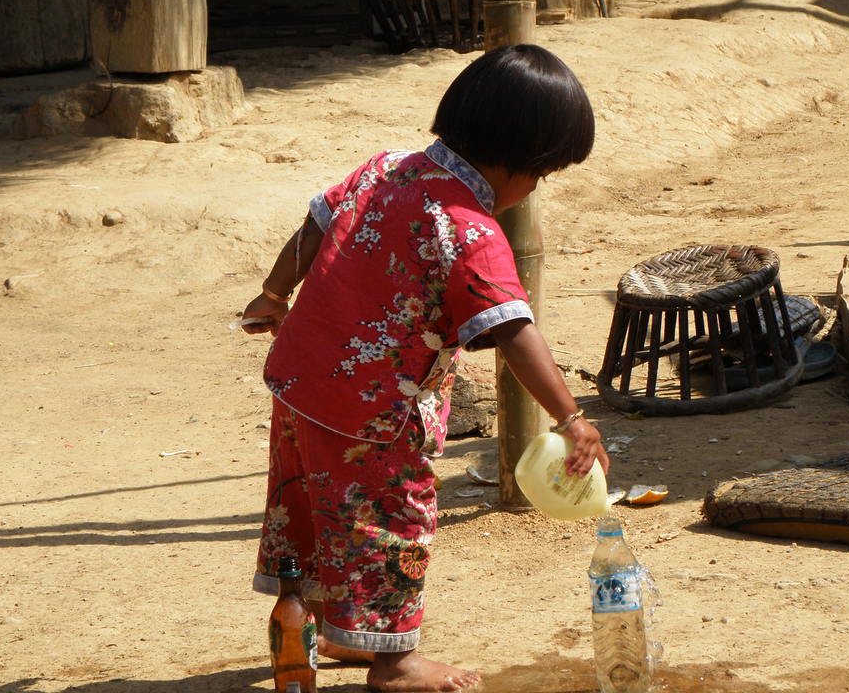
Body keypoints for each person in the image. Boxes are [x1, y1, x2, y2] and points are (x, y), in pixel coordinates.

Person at [238, 43, 609, 692]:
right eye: (542, 173)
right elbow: (516, 332)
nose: (533, 190)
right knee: (392, 520)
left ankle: (314, 619)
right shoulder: (468, 230)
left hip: (298, 383)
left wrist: (273, 294)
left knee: (308, 502)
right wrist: (571, 416)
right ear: (522, 161)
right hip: (375, 412)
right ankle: (392, 662)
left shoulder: (386, 168)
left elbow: (316, 225)